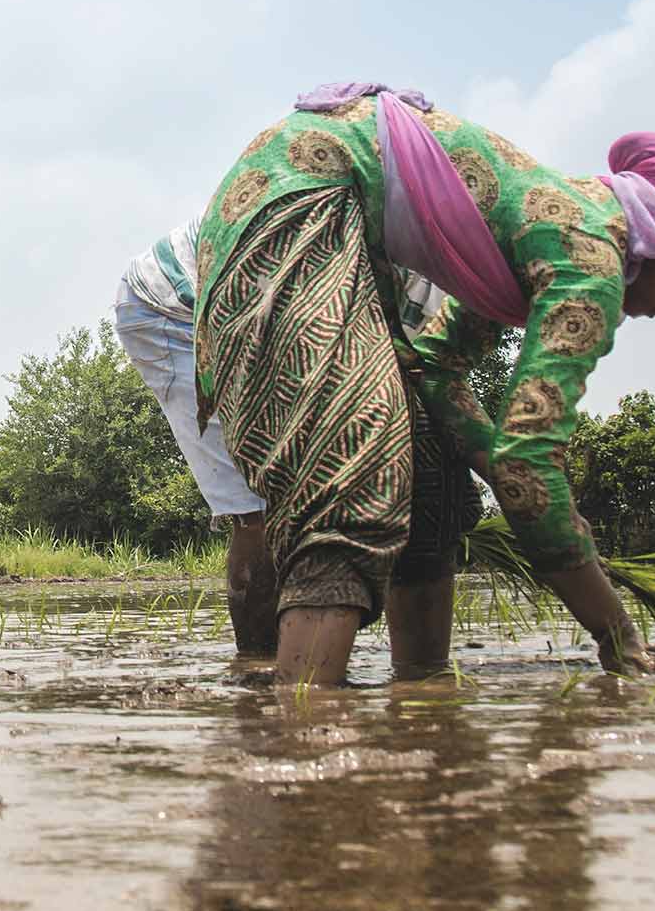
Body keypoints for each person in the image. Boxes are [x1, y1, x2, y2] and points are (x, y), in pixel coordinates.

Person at [192, 82, 655, 686]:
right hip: (299, 202)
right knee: (358, 463)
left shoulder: (544, 228)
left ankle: (423, 694)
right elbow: (529, 467)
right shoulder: (591, 255)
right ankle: (307, 729)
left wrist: (495, 461)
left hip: (306, 197)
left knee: (431, 467)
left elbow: (436, 365)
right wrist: (617, 633)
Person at [114, 221, 457, 660]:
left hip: (271, 297)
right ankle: (258, 671)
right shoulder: (408, 262)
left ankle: (417, 675)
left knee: (418, 476)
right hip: (180, 302)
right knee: (260, 503)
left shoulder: (442, 298)